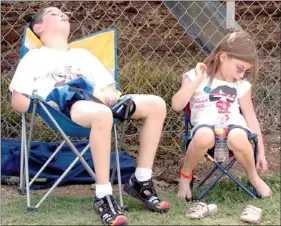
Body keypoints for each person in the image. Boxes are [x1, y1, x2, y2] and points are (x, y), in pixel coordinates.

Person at [9, 7, 169, 225]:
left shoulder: (83, 55)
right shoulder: (34, 58)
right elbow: (17, 100)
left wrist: (112, 94)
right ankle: (103, 195)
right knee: (101, 112)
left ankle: (141, 180)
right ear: (38, 28)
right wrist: (44, 107)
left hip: (98, 102)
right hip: (65, 107)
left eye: (64, 13)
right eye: (54, 14)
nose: (63, 14)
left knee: (156, 105)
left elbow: (109, 86)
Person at [171, 30, 272, 201]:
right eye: (239, 69)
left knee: (239, 136)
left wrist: (260, 151)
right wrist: (197, 80)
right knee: (204, 136)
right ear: (223, 56)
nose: (241, 75)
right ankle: (185, 177)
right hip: (205, 131)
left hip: (234, 129)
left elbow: (251, 118)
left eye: (245, 72)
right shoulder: (194, 76)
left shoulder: (241, 85)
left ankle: (253, 177)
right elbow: (176, 105)